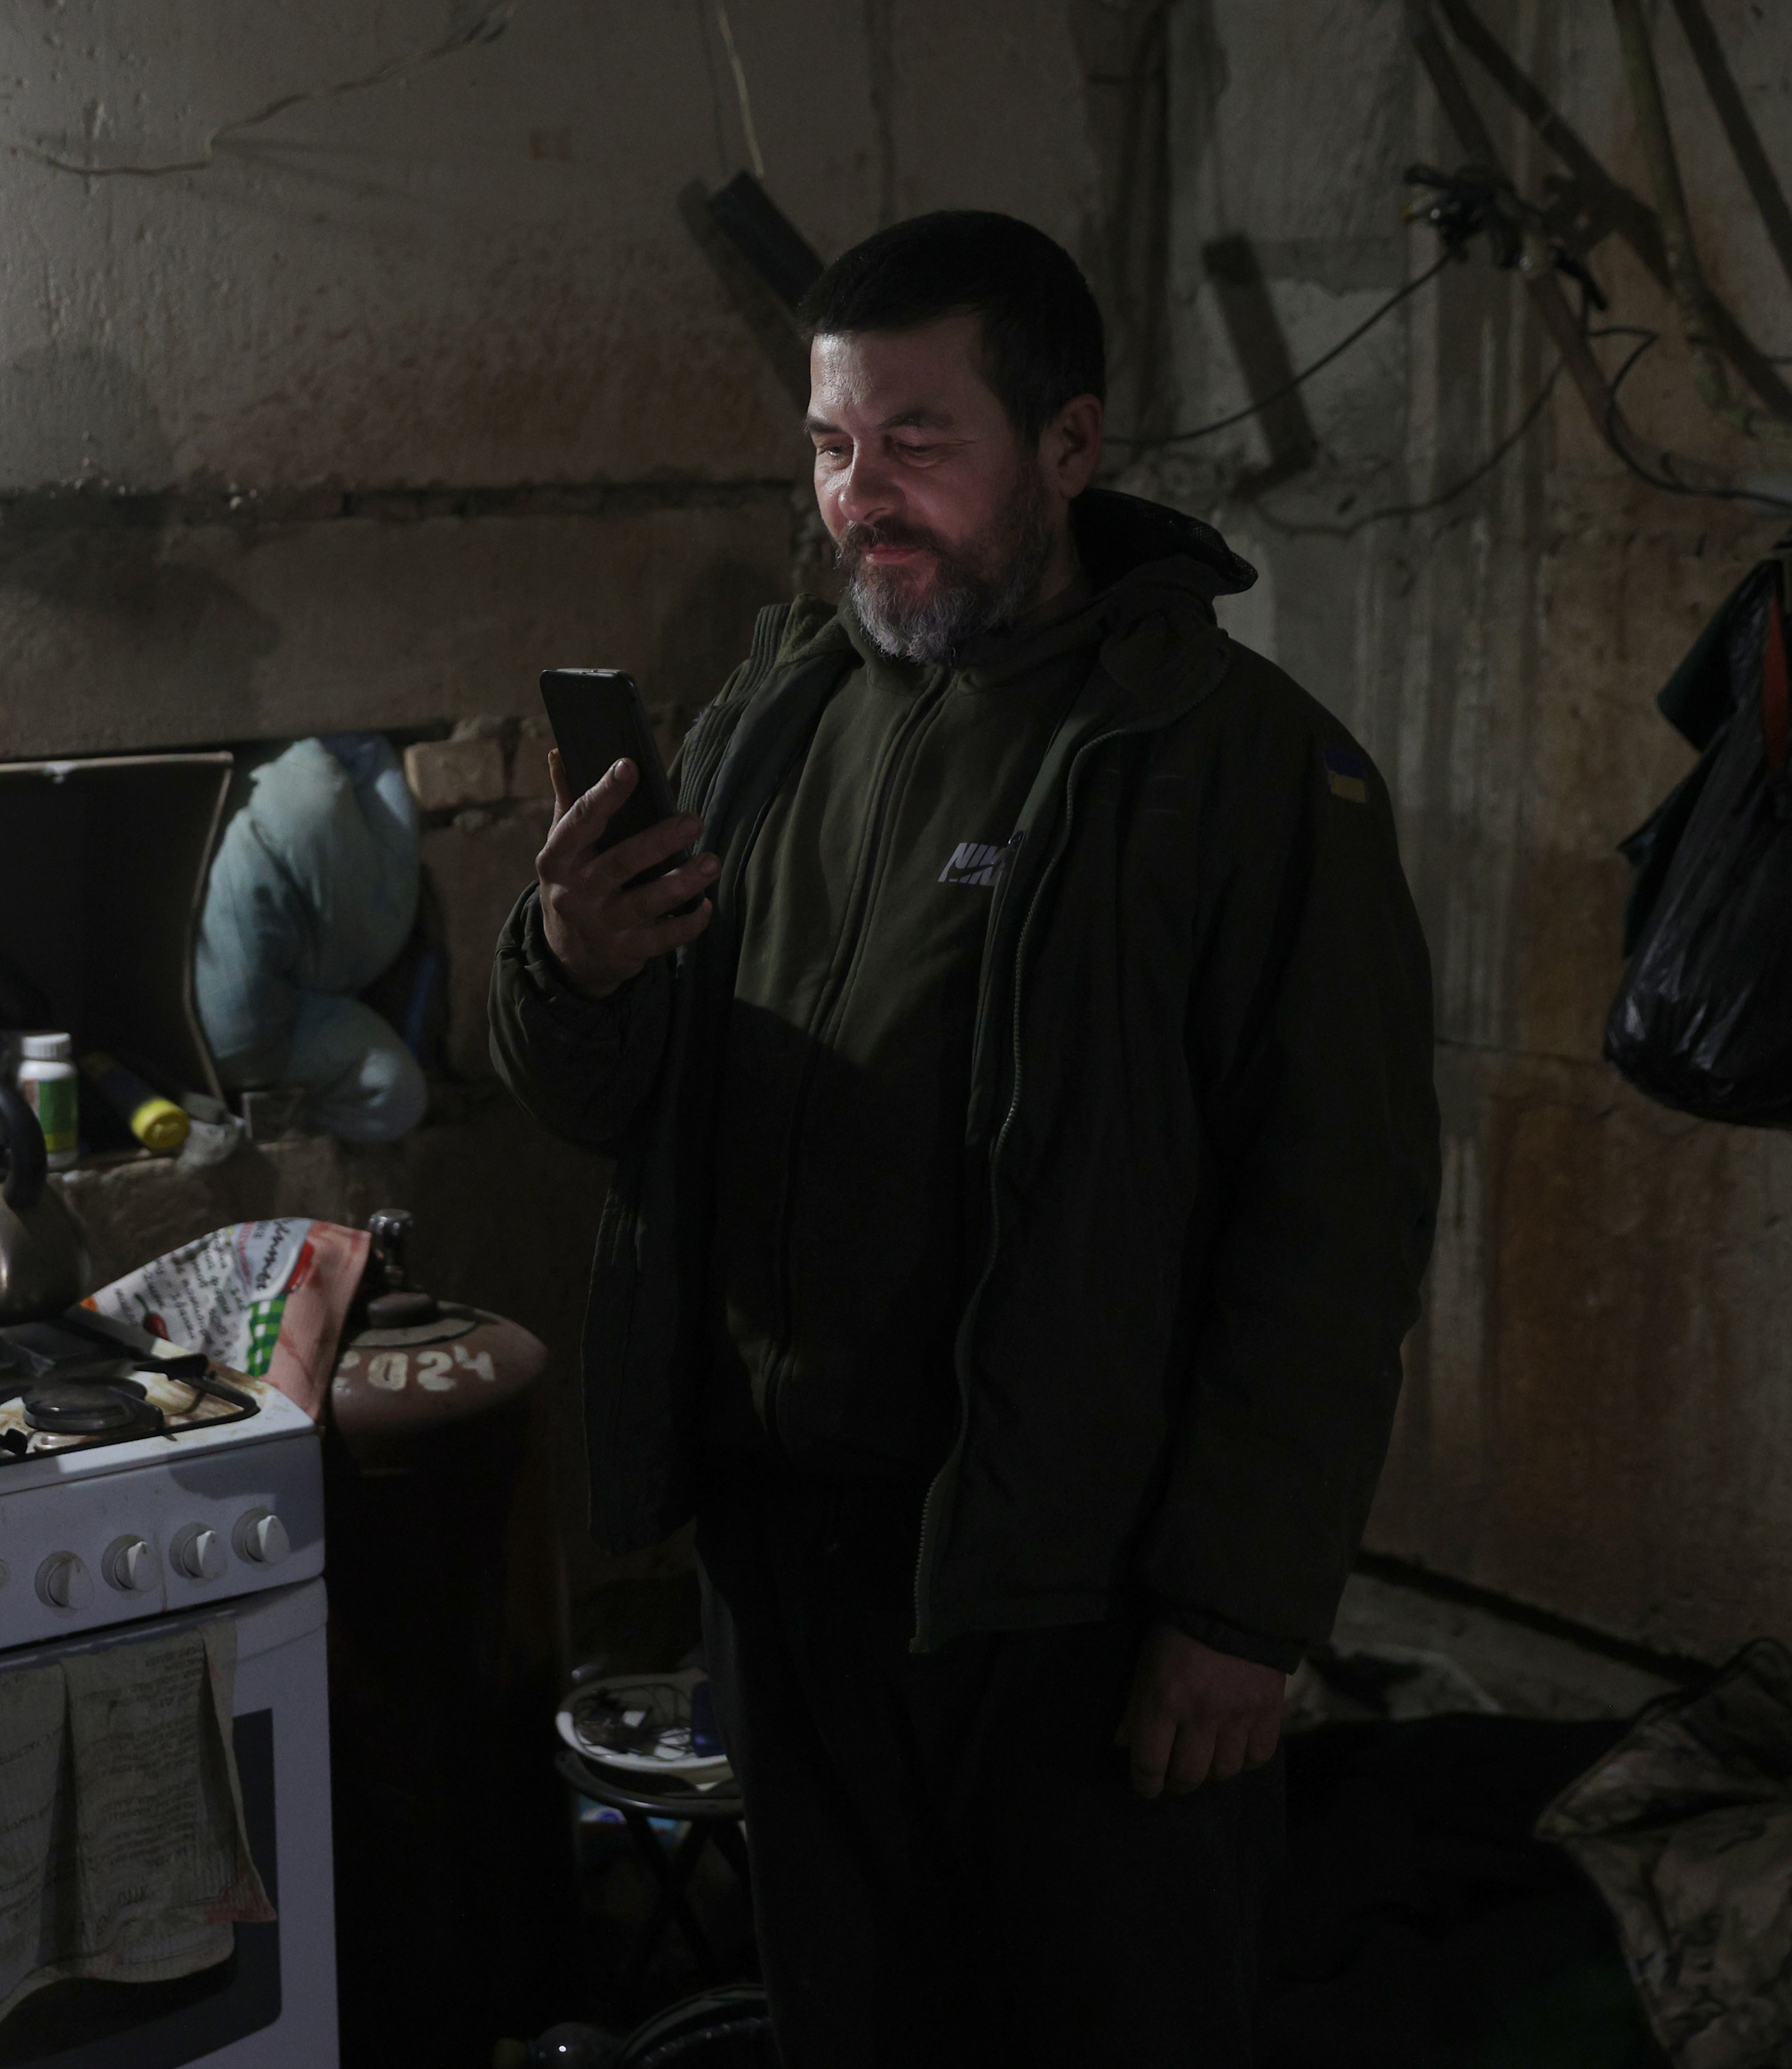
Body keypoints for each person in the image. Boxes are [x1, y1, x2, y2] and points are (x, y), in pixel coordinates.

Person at [490, 212, 1439, 2061]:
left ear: (1065, 448)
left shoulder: (1235, 766)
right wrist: (572, 965)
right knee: (857, 2025)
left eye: (919, 442)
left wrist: (1241, 1610)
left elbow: (1333, 1216)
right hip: (795, 1570)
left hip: (1062, 1596)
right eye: (835, 447)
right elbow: (618, 1113)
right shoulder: (781, 723)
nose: (863, 499)